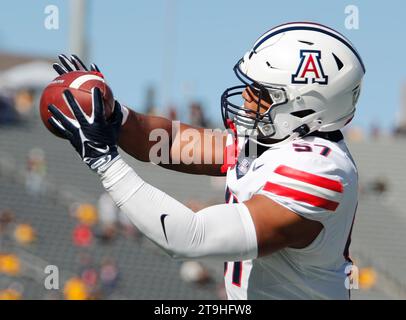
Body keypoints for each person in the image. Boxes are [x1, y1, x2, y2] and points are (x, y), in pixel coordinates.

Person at [47, 22, 365, 299]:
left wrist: (105, 161)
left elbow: (188, 236)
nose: (247, 96)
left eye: (263, 91)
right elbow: (167, 143)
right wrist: (114, 116)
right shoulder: (275, 139)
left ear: (305, 108)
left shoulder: (320, 171)